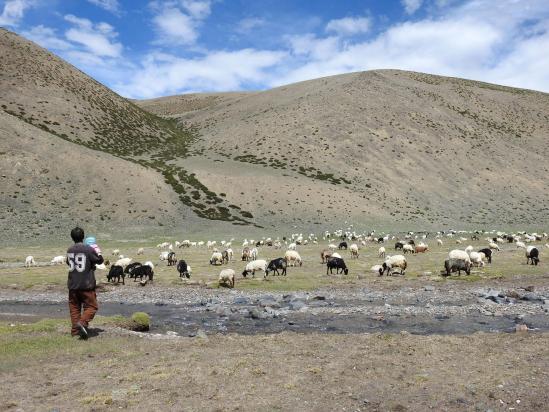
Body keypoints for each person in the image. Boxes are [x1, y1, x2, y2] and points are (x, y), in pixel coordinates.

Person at [66, 227, 103, 339]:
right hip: (86, 284)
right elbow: (99, 260)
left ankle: (75, 331)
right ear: (83, 237)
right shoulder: (88, 249)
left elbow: (69, 262)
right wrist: (98, 252)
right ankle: (82, 323)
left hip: (72, 284)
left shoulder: (70, 250)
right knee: (92, 306)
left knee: (74, 308)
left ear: (72, 237)